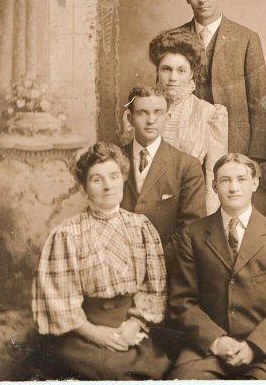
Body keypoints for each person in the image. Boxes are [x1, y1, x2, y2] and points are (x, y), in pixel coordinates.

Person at [32, 142, 170, 380]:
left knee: (155, 366)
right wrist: (96, 334)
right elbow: (59, 301)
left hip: (129, 328)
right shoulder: (67, 234)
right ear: (84, 187)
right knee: (106, 369)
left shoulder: (141, 227)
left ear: (123, 179)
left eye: (114, 176)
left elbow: (153, 288)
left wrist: (134, 325)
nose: (108, 186)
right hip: (84, 332)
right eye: (97, 179)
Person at [167, 154, 266, 379]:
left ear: (255, 183)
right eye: (225, 180)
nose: (234, 187)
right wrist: (216, 341)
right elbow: (182, 302)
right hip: (207, 349)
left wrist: (254, 346)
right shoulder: (193, 234)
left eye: (242, 179)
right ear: (214, 185)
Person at [168, 0, 266, 163]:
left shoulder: (246, 38)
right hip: (185, 140)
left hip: (233, 142)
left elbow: (260, 101)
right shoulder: (174, 39)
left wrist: (255, 157)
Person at [120, 86, 208, 264]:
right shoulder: (113, 161)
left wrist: (155, 263)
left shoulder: (187, 166)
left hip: (167, 267)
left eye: (158, 113)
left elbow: (191, 228)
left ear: (168, 118)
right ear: (130, 118)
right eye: (142, 113)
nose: (151, 120)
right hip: (118, 265)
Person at [148, 29, 228, 215]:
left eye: (181, 70)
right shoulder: (142, 110)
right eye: (166, 69)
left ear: (192, 72)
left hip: (189, 207)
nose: (173, 78)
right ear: (158, 70)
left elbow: (213, 177)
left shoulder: (209, 114)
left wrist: (206, 225)